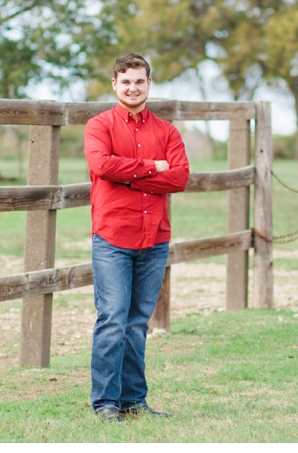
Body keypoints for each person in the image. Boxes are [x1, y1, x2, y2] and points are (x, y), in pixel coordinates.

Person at [84, 53, 190, 422]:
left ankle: (134, 401)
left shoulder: (167, 131)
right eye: (126, 81)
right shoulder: (99, 126)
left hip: (154, 238)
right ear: (114, 84)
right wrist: (148, 168)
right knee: (112, 318)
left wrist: (125, 174)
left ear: (149, 84)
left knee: (137, 322)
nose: (133, 87)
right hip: (113, 236)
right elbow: (101, 165)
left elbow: (179, 178)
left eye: (139, 81)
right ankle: (105, 403)